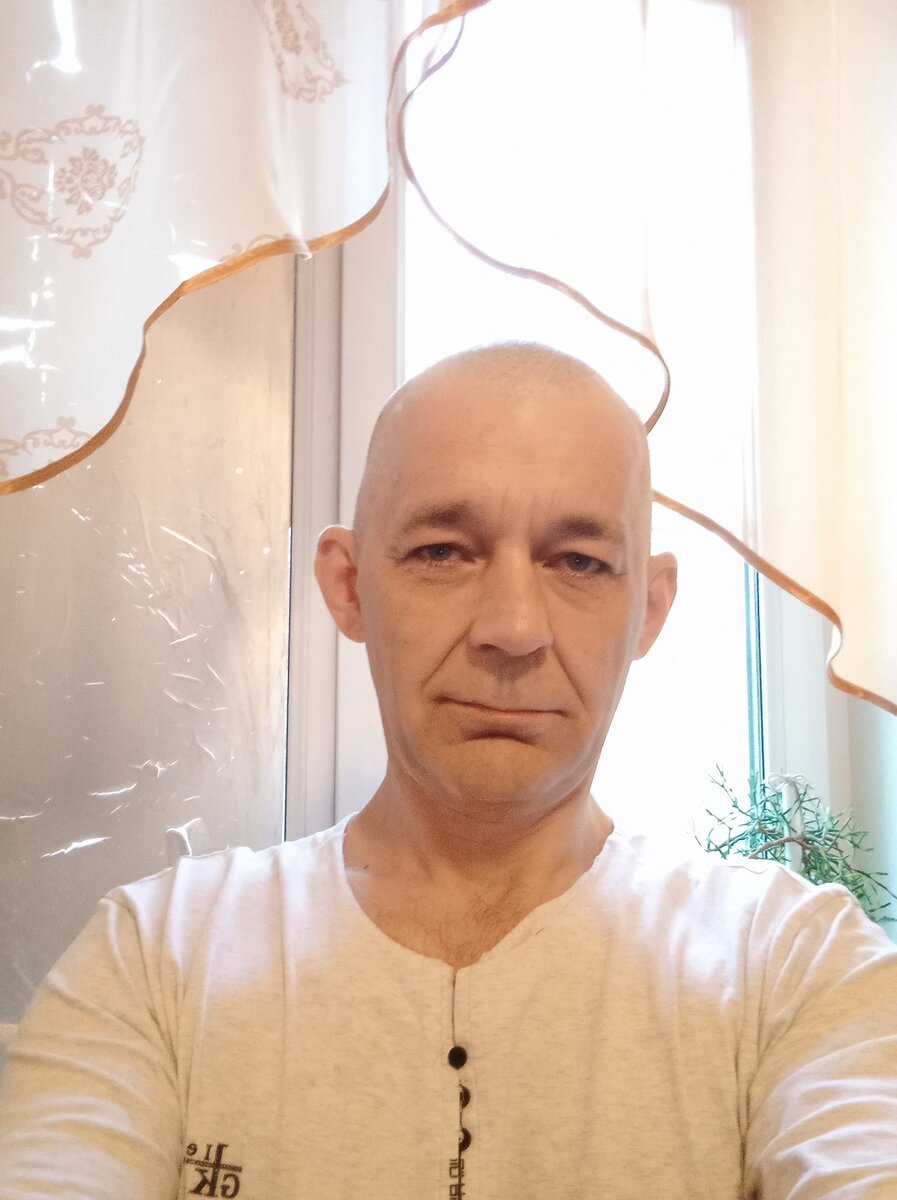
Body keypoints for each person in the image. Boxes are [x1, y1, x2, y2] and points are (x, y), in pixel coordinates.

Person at [1, 343, 895, 1199]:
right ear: (349, 586)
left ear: (649, 609)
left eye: (579, 562)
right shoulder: (157, 958)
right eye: (442, 552)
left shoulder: (793, 964)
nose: (513, 628)